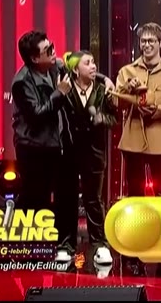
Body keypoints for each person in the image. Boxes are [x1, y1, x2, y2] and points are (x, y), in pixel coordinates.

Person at [10, 30, 114, 263]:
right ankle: (18, 246)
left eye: (52, 45)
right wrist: (59, 93)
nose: (54, 51)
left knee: (63, 196)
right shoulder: (22, 82)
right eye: (47, 50)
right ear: (34, 58)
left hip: (56, 146)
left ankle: (62, 244)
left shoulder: (56, 66)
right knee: (33, 197)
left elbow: (80, 69)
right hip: (33, 148)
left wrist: (103, 79)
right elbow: (37, 116)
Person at [115, 22, 161, 276]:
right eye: (143, 41)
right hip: (133, 141)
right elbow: (116, 102)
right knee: (134, 196)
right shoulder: (126, 71)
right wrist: (128, 90)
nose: (146, 45)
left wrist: (158, 109)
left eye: (151, 41)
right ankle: (133, 252)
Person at [55, 51, 116, 267]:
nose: (93, 66)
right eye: (87, 63)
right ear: (75, 69)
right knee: (67, 199)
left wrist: (102, 118)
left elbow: (114, 118)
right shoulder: (64, 88)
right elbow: (59, 62)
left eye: (93, 62)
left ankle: (100, 244)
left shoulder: (102, 90)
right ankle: (65, 245)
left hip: (94, 152)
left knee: (94, 200)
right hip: (68, 152)